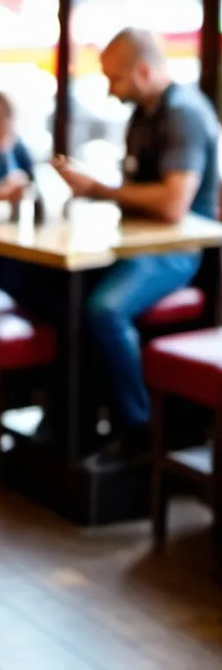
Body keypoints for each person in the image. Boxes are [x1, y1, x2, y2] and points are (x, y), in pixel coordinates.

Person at [53, 28, 220, 460]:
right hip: (137, 247)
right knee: (63, 297)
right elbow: (133, 194)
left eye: (116, 79)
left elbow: (172, 204)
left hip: (180, 252)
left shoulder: (184, 112)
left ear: (144, 70)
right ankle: (73, 425)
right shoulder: (141, 116)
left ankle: (140, 430)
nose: (110, 90)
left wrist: (98, 188)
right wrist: (97, 189)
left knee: (104, 310)